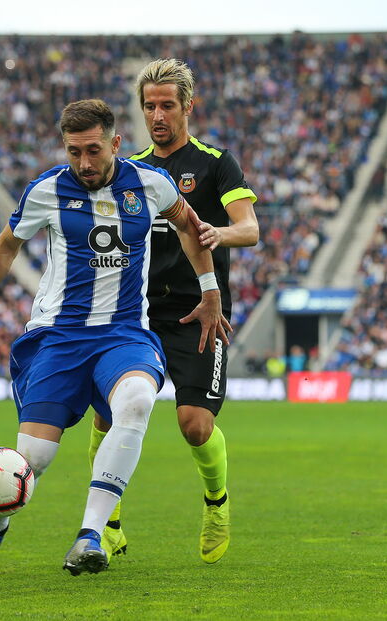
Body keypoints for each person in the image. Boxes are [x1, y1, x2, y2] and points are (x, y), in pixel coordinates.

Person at [0, 99, 230, 576]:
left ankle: (90, 535)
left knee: (137, 401)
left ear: (115, 143)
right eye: (74, 151)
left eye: (93, 150)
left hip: (124, 334)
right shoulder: (46, 190)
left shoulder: (150, 184)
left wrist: (210, 291)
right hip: (60, 337)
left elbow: (189, 226)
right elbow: (7, 245)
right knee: (33, 458)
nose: (83, 163)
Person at [88, 59, 259, 564]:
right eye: (149, 106)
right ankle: (107, 523)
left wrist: (216, 232)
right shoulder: (130, 169)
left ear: (188, 106)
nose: (157, 115)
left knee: (195, 426)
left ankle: (216, 503)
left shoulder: (215, 164)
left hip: (200, 310)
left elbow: (249, 228)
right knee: (106, 416)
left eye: (167, 105)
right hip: (137, 315)